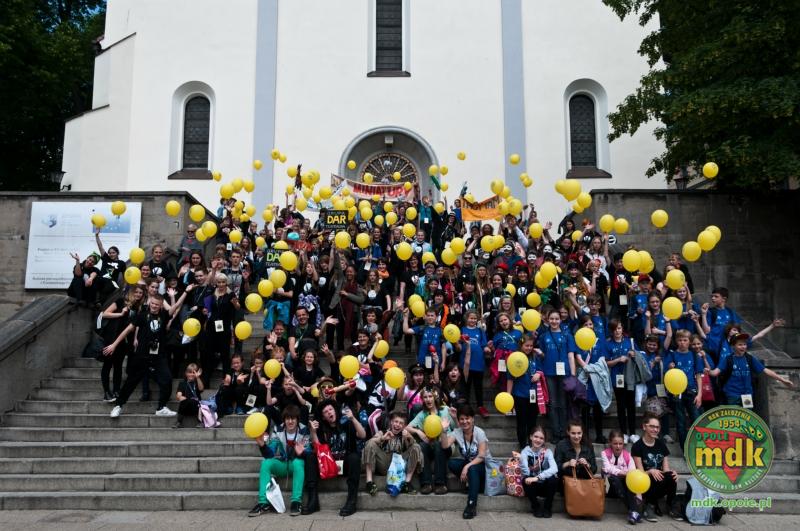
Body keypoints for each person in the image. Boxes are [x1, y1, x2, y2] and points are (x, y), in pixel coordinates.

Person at [105, 290, 189, 418]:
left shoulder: (164, 315)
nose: (154, 306)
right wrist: (114, 344)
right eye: (153, 303)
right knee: (131, 382)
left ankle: (161, 407)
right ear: (150, 303)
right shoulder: (142, 315)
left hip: (159, 356)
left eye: (157, 304)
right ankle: (118, 406)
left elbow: (176, 306)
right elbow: (127, 330)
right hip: (142, 355)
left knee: (167, 379)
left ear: (161, 305)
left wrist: (185, 292)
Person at [249, 405, 311, 517]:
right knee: (266, 463)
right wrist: (262, 445)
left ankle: (296, 502)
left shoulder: (304, 429)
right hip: (283, 463)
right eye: (287, 418)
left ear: (297, 419)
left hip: (296, 465)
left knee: (298, 462)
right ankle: (263, 503)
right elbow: (270, 454)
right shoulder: (278, 429)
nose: (290, 421)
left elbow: (309, 452)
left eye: (293, 418)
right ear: (284, 420)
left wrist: (302, 452)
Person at [307, 399, 366, 517]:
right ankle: (313, 501)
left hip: (345, 464)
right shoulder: (322, 429)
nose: (329, 412)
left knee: (354, 457)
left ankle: (351, 501)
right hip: (329, 465)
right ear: (323, 417)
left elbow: (363, 435)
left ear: (335, 411)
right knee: (311, 457)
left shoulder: (347, 423)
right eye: (325, 412)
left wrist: (353, 419)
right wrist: (313, 432)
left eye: (330, 409)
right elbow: (318, 449)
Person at [710, 333, 794, 407]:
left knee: (747, 417)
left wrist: (782, 380)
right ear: (733, 346)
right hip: (732, 394)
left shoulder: (750, 358)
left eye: (744, 344)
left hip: (747, 395)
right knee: (733, 418)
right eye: (740, 344)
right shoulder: (728, 359)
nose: (743, 347)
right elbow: (715, 372)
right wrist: (709, 371)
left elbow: (765, 370)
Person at [439, 405, 489, 520]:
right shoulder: (457, 432)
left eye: (467, 418)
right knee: (452, 463)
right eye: (461, 419)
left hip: (482, 466)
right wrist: (443, 430)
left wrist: (467, 466)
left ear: (473, 419)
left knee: (472, 469)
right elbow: (445, 445)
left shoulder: (479, 432)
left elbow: (482, 456)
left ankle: (471, 505)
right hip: (470, 465)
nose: (464, 421)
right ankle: (472, 483)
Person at [631, 413, 682, 521]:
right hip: (645, 483)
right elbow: (640, 473)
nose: (655, 430)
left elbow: (666, 469)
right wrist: (650, 471)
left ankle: (671, 505)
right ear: (644, 426)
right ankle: (649, 505)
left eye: (657, 427)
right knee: (652, 476)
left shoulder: (661, 444)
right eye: (652, 426)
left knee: (671, 476)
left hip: (659, 481)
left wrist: (672, 473)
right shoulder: (637, 446)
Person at [362, 410, 422, 496]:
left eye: (401, 423)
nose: (397, 424)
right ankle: (369, 482)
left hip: (399, 468)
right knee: (371, 444)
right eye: (396, 421)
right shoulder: (383, 432)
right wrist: (382, 438)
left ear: (404, 426)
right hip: (384, 465)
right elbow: (368, 443)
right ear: (391, 422)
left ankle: (406, 483)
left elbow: (415, 447)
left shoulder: (406, 435)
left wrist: (408, 437)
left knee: (416, 447)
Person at [407, 386, 453, 495]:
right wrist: (419, 432)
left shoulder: (445, 410)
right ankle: (426, 483)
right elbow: (407, 427)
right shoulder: (422, 414)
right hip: (430, 445)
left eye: (430, 396)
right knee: (422, 446)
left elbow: (457, 427)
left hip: (446, 444)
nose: (428, 399)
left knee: (438, 444)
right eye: (425, 397)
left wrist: (454, 418)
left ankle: (440, 484)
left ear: (435, 397)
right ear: (422, 400)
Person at [507, 334, 541, 448]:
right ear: (521, 345)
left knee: (532, 421)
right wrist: (509, 395)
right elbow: (510, 378)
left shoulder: (535, 356)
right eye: (526, 345)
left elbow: (540, 369)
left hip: (533, 394)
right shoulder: (514, 358)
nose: (529, 348)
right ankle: (522, 444)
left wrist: (538, 374)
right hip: (519, 394)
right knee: (521, 421)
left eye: (531, 346)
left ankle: (532, 443)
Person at [516, 425, 558, 518]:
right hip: (532, 487)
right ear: (531, 437)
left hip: (545, 486)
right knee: (525, 479)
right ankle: (536, 507)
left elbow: (554, 468)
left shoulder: (547, 452)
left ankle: (547, 507)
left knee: (553, 479)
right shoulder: (525, 452)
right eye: (536, 437)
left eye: (541, 438)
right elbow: (526, 473)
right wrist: (522, 460)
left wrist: (538, 477)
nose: (538, 440)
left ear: (544, 440)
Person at [602, 430, 641, 524]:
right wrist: (622, 472)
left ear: (623, 443)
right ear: (610, 443)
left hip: (623, 488)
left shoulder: (628, 456)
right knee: (613, 478)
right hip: (609, 488)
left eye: (620, 443)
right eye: (615, 443)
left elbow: (632, 473)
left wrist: (638, 492)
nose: (618, 446)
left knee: (629, 480)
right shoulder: (604, 453)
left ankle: (633, 513)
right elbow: (608, 469)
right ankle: (634, 510)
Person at [554, 419, 597, 487]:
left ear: (582, 432)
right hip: (566, 484)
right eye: (573, 433)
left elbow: (594, 469)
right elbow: (555, 468)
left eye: (579, 433)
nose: (576, 437)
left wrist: (587, 464)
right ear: (568, 432)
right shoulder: (561, 445)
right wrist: (567, 463)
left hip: (584, 484)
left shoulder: (588, 446)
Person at [174, 363, 204, 428]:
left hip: (196, 407)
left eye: (193, 373)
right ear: (186, 373)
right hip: (186, 407)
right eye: (189, 372)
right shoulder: (182, 383)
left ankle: (200, 422)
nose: (191, 374)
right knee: (185, 401)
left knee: (194, 401)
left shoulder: (197, 382)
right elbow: (178, 394)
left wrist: (198, 377)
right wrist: (179, 396)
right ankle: (179, 422)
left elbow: (201, 388)